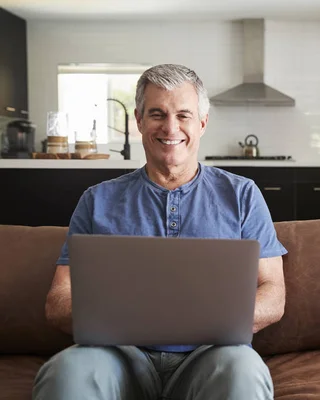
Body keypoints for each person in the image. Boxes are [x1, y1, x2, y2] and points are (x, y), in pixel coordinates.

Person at [33, 64, 287, 400]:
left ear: (202, 122)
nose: (171, 127)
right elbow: (58, 300)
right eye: (157, 114)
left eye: (183, 115)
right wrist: (120, 314)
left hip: (212, 354)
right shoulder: (97, 200)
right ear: (138, 120)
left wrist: (214, 318)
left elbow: (274, 291)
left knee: (244, 371)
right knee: (66, 373)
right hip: (115, 354)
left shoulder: (243, 195)